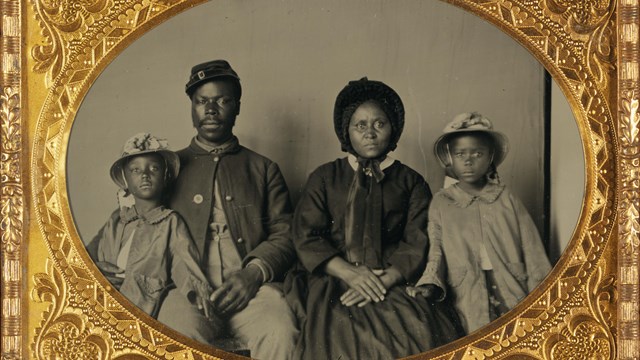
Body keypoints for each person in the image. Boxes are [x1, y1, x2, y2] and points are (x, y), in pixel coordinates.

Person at [284, 77, 462, 359]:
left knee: (417, 331)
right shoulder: (324, 177)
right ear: (347, 131)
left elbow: (419, 238)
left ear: (393, 130)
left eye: (380, 124)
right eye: (360, 125)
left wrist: (387, 278)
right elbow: (306, 236)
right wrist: (348, 273)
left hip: (392, 278)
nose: (370, 133)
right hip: (335, 277)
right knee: (336, 336)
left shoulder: (410, 181)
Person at [155, 60, 298, 359]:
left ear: (237, 107)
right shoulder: (168, 168)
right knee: (173, 335)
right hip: (187, 291)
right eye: (202, 101)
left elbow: (286, 234)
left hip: (254, 291)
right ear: (192, 107)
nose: (211, 109)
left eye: (222, 100)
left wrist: (254, 274)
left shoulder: (263, 168)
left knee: (281, 332)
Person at [407, 112, 552, 334]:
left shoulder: (505, 198)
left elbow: (531, 248)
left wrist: (542, 296)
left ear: (490, 157)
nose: (468, 160)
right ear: (450, 158)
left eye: (477, 153)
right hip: (466, 291)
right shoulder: (442, 202)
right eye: (460, 154)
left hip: (511, 285)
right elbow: (436, 249)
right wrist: (429, 282)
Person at [86, 133, 217, 324]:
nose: (145, 175)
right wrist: (94, 268)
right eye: (136, 171)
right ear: (126, 180)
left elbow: (183, 261)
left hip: (141, 303)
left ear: (165, 177)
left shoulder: (170, 222)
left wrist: (197, 290)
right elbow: (90, 255)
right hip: (103, 299)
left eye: (153, 169)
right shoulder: (118, 218)